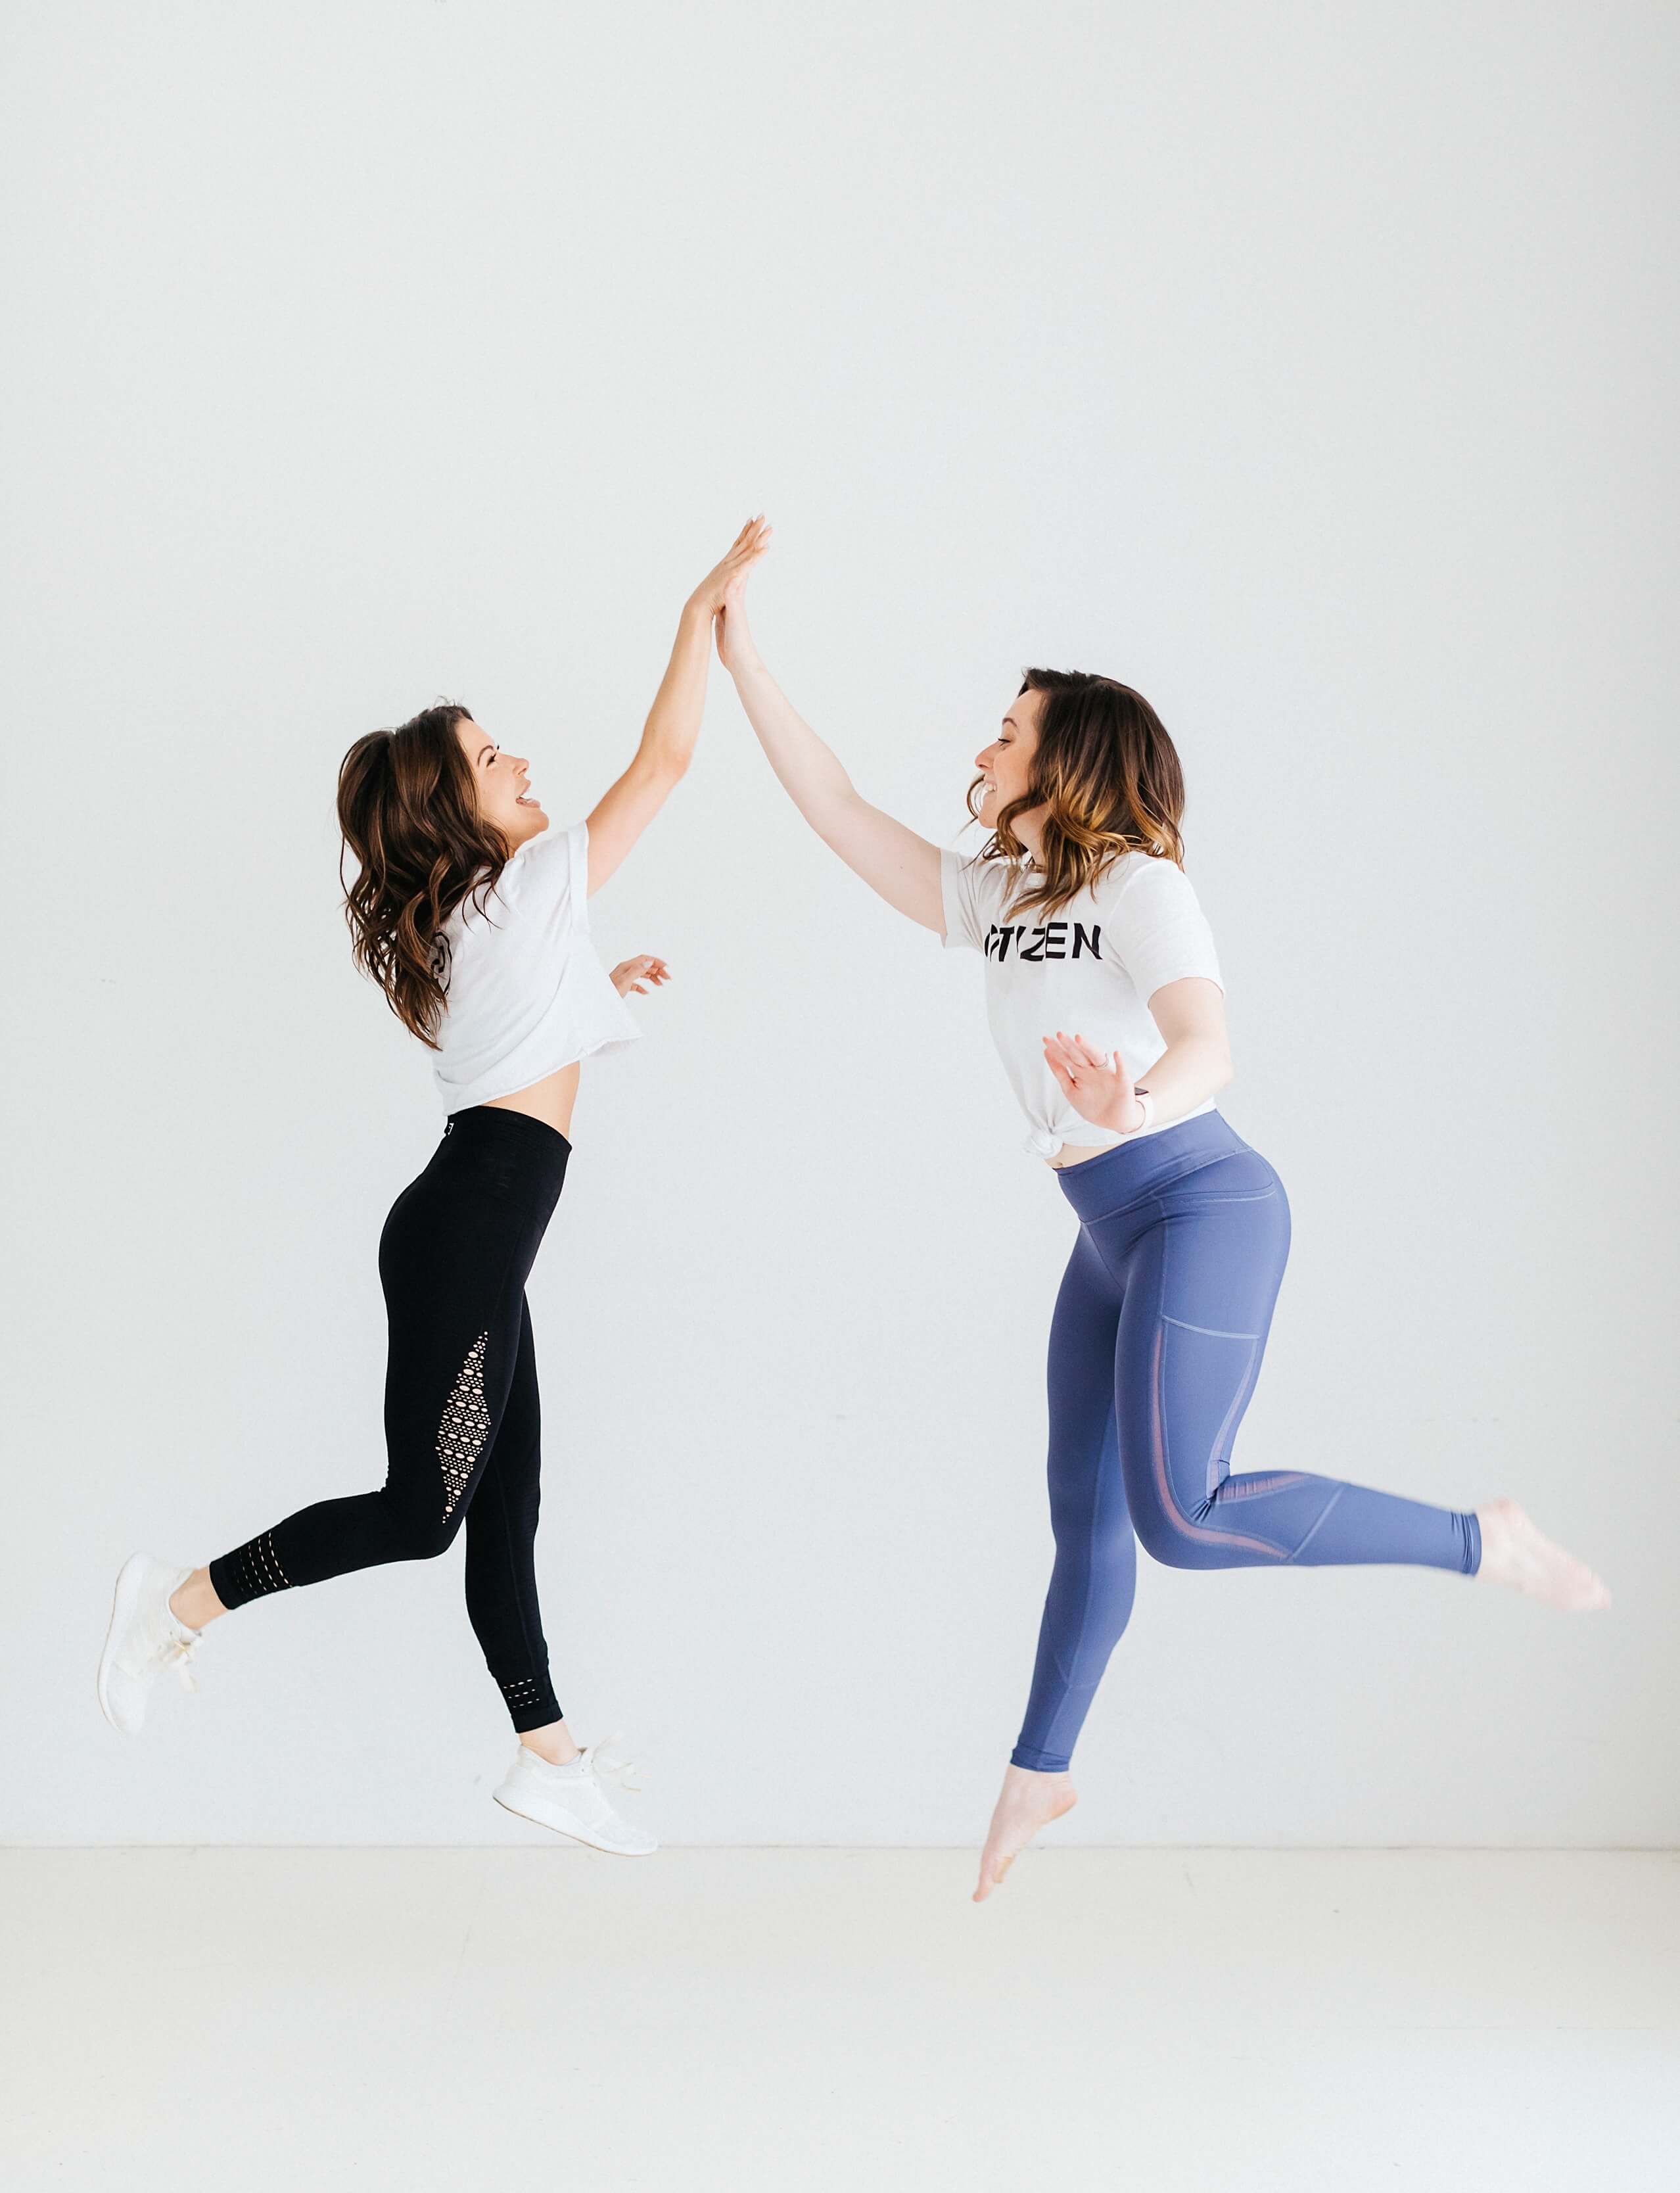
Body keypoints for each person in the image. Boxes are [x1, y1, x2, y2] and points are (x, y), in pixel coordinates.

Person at [712, 551, 1610, 1902]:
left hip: (1202, 1205)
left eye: (1008, 731)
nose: (984, 748)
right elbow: (837, 806)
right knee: (1086, 1518)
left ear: (1069, 759)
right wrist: (743, 659)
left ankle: (1484, 1538)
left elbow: (1210, 1045)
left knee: (1183, 1515)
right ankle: (1040, 1769)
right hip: (1106, 1233)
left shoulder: (1140, 886)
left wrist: (1133, 1101)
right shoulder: (1001, 895)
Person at [97, 519, 772, 1856]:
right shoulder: (518, 893)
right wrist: (698, 611)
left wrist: (596, 984)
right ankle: (174, 1604)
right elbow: (668, 761)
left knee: (506, 1505)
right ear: (456, 812)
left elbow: (522, 1034)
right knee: (425, 1512)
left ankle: (549, 1758)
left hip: (474, 1235)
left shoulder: (481, 921)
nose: (518, 761)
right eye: (489, 757)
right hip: (469, 1234)